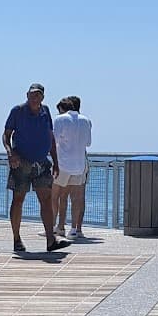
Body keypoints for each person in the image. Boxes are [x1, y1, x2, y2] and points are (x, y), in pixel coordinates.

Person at [3, 82, 65, 254]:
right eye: (31, 94)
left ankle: (50, 240)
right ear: (27, 95)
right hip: (21, 163)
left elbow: (50, 137)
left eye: (37, 95)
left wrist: (56, 162)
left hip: (42, 163)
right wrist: (10, 153)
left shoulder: (45, 112)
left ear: (42, 97)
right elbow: (6, 135)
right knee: (18, 199)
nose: (34, 97)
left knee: (46, 200)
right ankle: (16, 239)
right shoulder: (18, 111)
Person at [52, 96, 94, 238]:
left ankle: (56, 227)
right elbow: (88, 143)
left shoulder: (60, 119)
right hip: (79, 164)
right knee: (77, 198)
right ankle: (74, 229)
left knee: (56, 196)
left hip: (62, 164)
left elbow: (54, 139)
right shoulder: (86, 120)